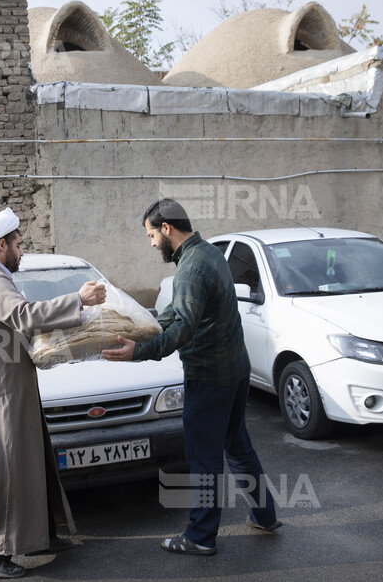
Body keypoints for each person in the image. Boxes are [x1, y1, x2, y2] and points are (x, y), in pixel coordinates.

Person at [101, 199, 280, 555]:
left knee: (203, 458)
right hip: (235, 371)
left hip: (209, 376)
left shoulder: (190, 270)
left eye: (152, 235)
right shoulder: (209, 254)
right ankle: (265, 515)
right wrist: (144, 330)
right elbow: (177, 315)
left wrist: (140, 352)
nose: (152, 243)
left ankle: (200, 536)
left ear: (166, 228)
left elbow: (183, 326)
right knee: (237, 446)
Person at [0, 208, 106, 578]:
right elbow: (23, 315)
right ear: (2, 245)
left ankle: (38, 536)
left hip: (13, 387)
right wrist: (78, 300)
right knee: (10, 469)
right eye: (18, 243)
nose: (22, 250)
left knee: (32, 461)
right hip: (1, 391)